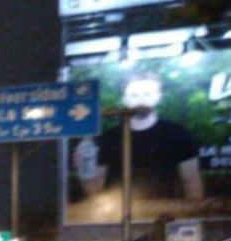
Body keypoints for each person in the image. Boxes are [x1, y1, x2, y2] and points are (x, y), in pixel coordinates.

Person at [73, 72, 203, 200]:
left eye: (147, 94)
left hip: (165, 215)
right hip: (116, 214)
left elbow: (192, 182)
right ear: (125, 99)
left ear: (158, 97)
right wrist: (83, 170)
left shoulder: (178, 135)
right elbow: (93, 191)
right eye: (135, 95)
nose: (141, 100)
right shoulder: (107, 139)